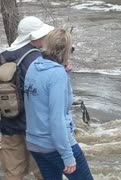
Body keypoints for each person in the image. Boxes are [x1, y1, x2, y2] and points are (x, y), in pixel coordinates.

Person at [23, 29, 93, 180]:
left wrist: (64, 74)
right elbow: (57, 119)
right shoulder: (57, 75)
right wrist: (67, 155)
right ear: (66, 50)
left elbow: (39, 101)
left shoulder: (33, 66)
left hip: (34, 143)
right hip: (53, 144)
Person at [0, 16, 54, 180]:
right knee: (44, 172)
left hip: (8, 123)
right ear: (34, 37)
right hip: (35, 127)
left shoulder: (2, 55)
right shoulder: (36, 58)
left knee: (13, 173)